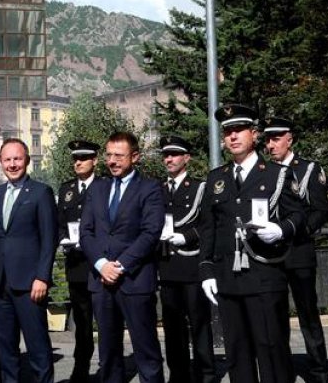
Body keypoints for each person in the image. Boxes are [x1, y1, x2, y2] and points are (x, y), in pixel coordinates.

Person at [199, 103, 307, 383]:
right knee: (237, 353)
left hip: (264, 277)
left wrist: (281, 230)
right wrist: (207, 272)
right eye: (227, 132)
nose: (233, 137)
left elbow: (299, 215)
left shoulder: (275, 174)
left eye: (239, 130)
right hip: (228, 279)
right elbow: (208, 228)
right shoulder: (216, 179)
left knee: (271, 350)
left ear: (254, 134)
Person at [80, 131, 165, 383]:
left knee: (146, 350)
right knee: (107, 352)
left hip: (135, 281)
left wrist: (121, 265)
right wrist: (101, 265)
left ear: (135, 157)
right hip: (101, 282)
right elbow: (86, 232)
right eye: (109, 155)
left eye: (119, 155)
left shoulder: (150, 188)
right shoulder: (97, 188)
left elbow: (151, 233)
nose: (112, 161)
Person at [0, 138, 59, 383]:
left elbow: (49, 239)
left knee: (38, 348)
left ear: (26, 160)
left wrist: (42, 277)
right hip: (0, 285)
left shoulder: (40, 192)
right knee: (6, 350)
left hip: (30, 284)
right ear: (1, 162)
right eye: (7, 160)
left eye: (17, 159)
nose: (12, 164)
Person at [264, 116, 328, 383]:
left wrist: (295, 230)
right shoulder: (263, 171)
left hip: (299, 250)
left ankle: (318, 370)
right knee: (275, 315)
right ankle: (282, 369)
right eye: (268, 139)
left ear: (289, 139)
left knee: (307, 313)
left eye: (276, 138)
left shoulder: (308, 169)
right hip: (270, 253)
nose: (271, 144)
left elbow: (320, 210)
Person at [157, 135, 215, 383]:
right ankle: (178, 374)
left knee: (199, 324)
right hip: (167, 267)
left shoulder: (199, 187)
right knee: (172, 328)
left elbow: (209, 225)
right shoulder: (158, 189)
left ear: (186, 158)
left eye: (175, 154)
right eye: (166, 155)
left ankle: (206, 374)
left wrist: (187, 236)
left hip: (191, 267)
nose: (169, 159)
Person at [56, 139, 104, 383]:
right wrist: (63, 238)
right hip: (76, 264)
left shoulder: (105, 186)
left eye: (83, 158)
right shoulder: (66, 190)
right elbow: (60, 223)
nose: (78, 162)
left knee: (105, 319)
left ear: (94, 160)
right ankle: (81, 367)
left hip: (100, 264)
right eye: (75, 158)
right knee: (82, 321)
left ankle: (109, 365)